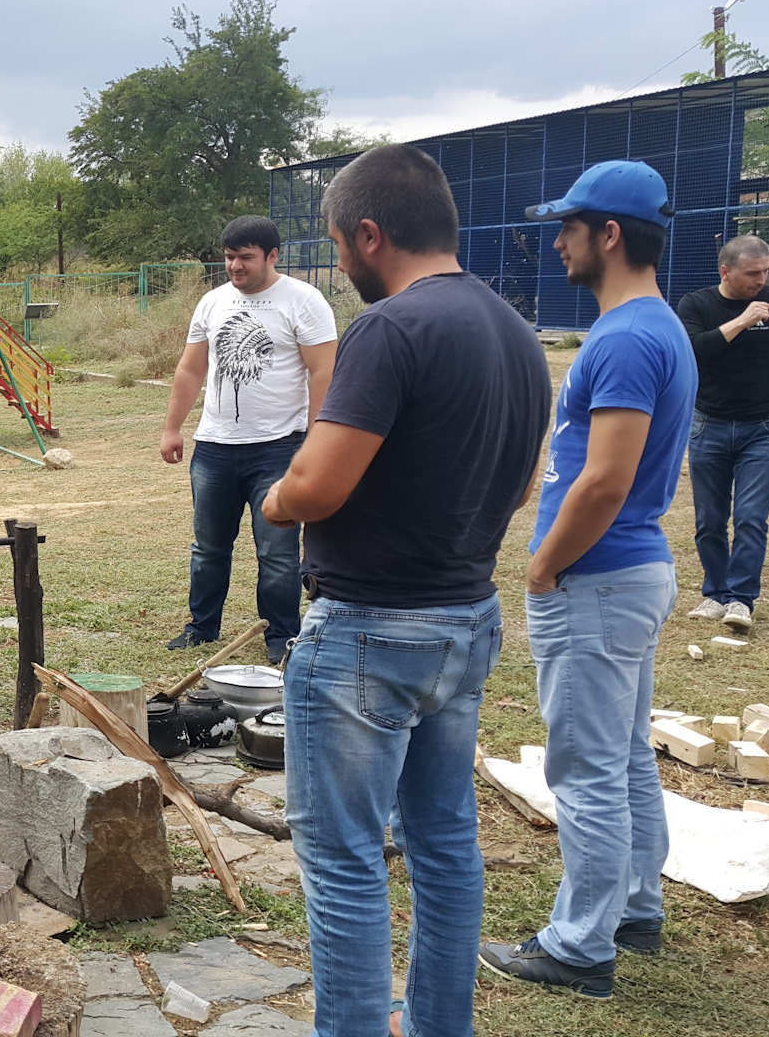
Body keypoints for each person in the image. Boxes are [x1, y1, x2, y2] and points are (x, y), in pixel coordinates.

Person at [259, 145, 551, 1037]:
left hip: (369, 635)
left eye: (341, 245)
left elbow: (317, 487)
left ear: (371, 234)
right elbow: (523, 477)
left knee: (344, 859)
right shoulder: (515, 332)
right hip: (466, 617)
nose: (342, 264)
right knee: (445, 844)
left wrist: (275, 497)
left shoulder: (390, 330)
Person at [480, 161, 695, 999]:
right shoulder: (653, 326)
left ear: (609, 234)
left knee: (588, 768)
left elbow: (607, 480)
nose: (558, 241)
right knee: (624, 756)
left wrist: (544, 565)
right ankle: (635, 907)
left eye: (568, 227)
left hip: (599, 580)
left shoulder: (629, 336)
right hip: (629, 575)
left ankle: (578, 946)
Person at [162, 215, 337, 664]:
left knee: (277, 551)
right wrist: (172, 427)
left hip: (279, 447)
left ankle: (281, 636)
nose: (235, 267)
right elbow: (191, 368)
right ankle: (201, 627)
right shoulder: (213, 302)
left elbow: (324, 372)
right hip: (215, 448)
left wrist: (317, 440)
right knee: (208, 547)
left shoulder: (304, 301)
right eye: (228, 258)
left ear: (272, 255)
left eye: (246, 258)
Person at [675, 234, 769, 633]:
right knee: (709, 518)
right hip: (709, 423)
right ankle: (715, 592)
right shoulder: (697, 304)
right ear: (725, 271)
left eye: (766, 272)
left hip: (765, 427)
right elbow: (692, 350)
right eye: (752, 273)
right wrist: (743, 320)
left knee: (751, 518)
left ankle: (740, 599)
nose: (761, 280)